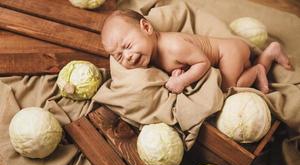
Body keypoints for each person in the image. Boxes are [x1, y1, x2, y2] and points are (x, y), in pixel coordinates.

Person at [101, 10, 293, 94]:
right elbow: (184, 63)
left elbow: (203, 63)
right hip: (227, 53)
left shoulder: (173, 46)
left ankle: (259, 69)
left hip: (228, 52)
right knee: (239, 75)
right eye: (118, 56)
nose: (127, 56)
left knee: (230, 88)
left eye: (127, 46)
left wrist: (182, 81)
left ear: (147, 28)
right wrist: (178, 70)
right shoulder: (154, 52)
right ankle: (270, 53)